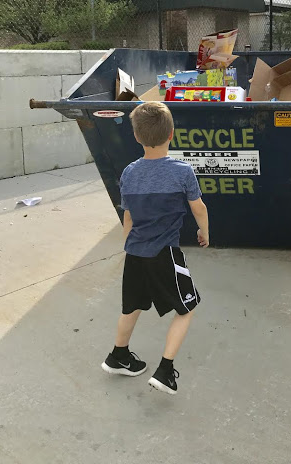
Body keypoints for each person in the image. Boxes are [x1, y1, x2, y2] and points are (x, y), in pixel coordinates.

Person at [101, 101, 209, 395]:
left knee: (132, 306)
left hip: (135, 253)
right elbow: (198, 208)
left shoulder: (129, 173)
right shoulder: (181, 172)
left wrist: (127, 244)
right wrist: (204, 231)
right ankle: (165, 371)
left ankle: (118, 356)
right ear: (171, 134)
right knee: (187, 308)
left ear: (136, 137)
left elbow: (129, 215)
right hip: (164, 254)